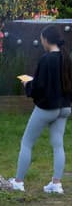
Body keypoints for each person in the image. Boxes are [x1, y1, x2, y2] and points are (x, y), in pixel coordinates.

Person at [10, 25, 72, 194]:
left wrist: (27, 84)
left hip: (48, 108)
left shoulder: (46, 59)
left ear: (45, 39)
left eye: (42, 38)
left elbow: (39, 86)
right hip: (65, 107)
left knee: (27, 143)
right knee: (58, 145)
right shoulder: (67, 58)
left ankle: (18, 182)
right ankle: (56, 184)